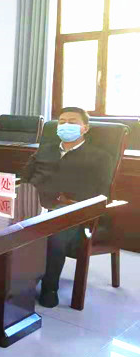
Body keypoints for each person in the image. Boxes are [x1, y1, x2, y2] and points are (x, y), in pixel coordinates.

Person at [24, 107, 114, 308]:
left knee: (55, 232)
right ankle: (17, 282)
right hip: (36, 206)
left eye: (72, 122)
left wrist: (72, 203)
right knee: (6, 229)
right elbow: (25, 178)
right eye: (62, 121)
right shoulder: (44, 151)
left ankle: (49, 288)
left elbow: (102, 194)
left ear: (85, 128)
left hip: (74, 212)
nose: (66, 125)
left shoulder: (100, 157)